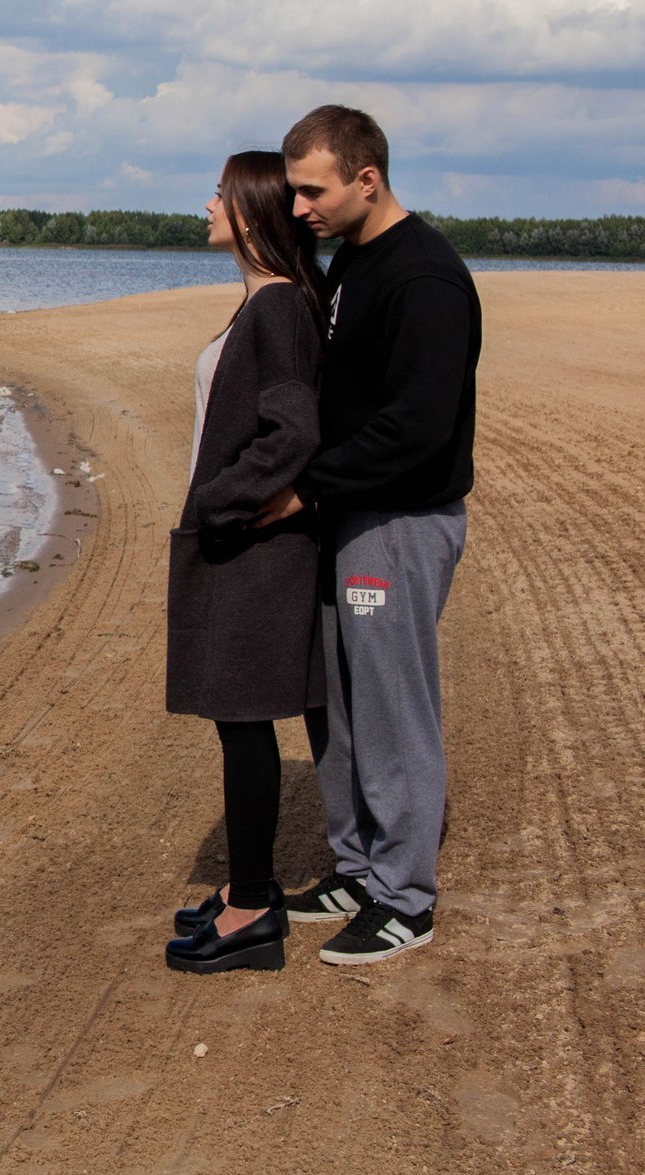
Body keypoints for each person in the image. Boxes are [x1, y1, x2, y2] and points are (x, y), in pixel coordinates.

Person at [255, 105, 480, 965]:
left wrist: (304, 487)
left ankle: (406, 897)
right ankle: (357, 866)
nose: (300, 205)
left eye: (312, 189)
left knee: (394, 709)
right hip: (348, 516)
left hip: (400, 520)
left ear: (366, 178)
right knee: (339, 706)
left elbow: (418, 428)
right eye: (293, 189)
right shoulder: (353, 257)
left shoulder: (424, 277)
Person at [163, 151, 328, 975]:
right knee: (238, 719)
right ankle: (242, 894)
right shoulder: (260, 303)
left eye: (221, 192)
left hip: (257, 551)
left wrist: (223, 502)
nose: (208, 202)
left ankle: (257, 905)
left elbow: (293, 431)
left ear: (251, 206)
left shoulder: (278, 308)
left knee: (245, 719)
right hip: (238, 542)